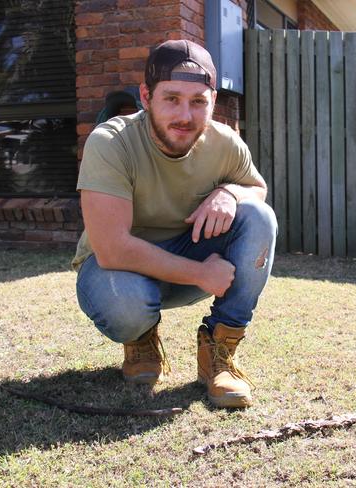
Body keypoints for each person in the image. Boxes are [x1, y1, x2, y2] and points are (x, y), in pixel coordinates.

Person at [73, 39, 277, 408]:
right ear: (146, 96)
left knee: (259, 217)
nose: (185, 115)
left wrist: (230, 192)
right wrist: (201, 273)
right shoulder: (110, 142)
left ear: (212, 101)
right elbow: (112, 247)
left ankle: (219, 351)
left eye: (198, 101)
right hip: (116, 271)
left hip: (190, 257)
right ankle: (141, 338)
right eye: (172, 99)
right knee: (127, 306)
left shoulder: (225, 142)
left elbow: (257, 189)